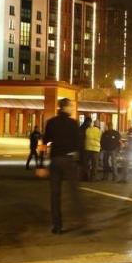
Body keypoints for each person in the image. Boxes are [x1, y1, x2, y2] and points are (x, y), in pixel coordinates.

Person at [44, 98, 82, 234]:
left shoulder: (51, 122)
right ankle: (80, 221)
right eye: (71, 106)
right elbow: (78, 143)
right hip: (68, 159)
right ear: (64, 107)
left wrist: (42, 163)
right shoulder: (73, 123)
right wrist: (80, 162)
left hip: (55, 159)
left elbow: (46, 140)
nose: (72, 109)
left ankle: (57, 225)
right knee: (74, 191)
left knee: (55, 194)